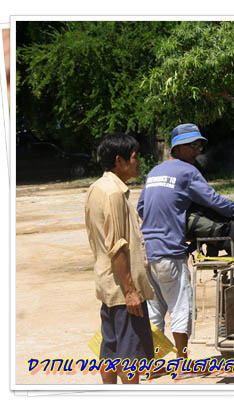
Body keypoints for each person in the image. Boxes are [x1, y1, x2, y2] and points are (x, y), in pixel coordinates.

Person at [137, 123, 234, 362]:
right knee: (181, 306)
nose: (198, 150)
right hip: (170, 252)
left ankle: (153, 363)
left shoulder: (155, 172)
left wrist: (164, 222)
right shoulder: (187, 172)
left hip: (148, 250)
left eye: (200, 145)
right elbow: (214, 200)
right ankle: (182, 362)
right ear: (180, 147)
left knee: (155, 310)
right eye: (194, 145)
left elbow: (142, 207)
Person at [84, 134, 155, 384]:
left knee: (111, 351)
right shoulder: (113, 193)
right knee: (130, 356)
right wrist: (130, 291)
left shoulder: (97, 188)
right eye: (134, 157)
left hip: (109, 286)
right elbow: (117, 247)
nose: (138, 162)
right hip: (123, 289)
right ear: (119, 160)